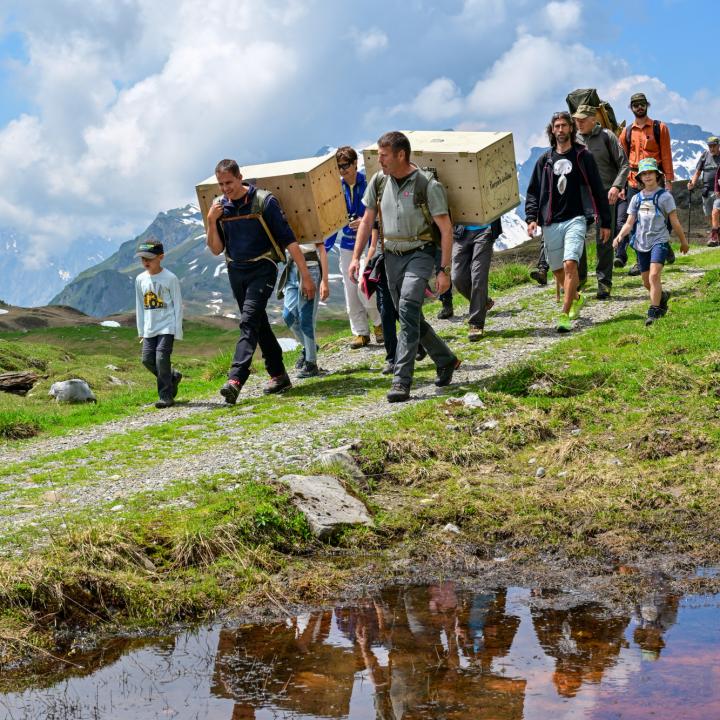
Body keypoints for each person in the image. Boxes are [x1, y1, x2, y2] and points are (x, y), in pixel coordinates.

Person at [348, 131, 459, 403]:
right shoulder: (379, 181)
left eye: (384, 155)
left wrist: (443, 270)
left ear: (400, 155)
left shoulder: (427, 185)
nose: (379, 160)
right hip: (391, 256)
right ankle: (445, 359)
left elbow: (446, 229)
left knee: (408, 308)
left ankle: (401, 380)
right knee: (407, 316)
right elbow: (367, 220)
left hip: (420, 254)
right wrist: (355, 257)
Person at [206, 158, 316, 404]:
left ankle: (235, 378)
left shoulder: (264, 202)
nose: (226, 189)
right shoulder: (218, 206)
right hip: (236, 270)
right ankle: (278, 374)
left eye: (229, 183)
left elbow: (288, 240)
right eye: (221, 184)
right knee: (258, 323)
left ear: (240, 177)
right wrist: (212, 221)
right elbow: (215, 249)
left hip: (263, 267)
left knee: (248, 321)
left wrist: (305, 275)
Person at [525, 111, 611, 332]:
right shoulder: (545, 160)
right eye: (557, 126)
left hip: (577, 218)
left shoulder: (584, 156)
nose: (561, 130)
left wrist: (605, 222)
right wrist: (531, 218)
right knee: (557, 270)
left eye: (564, 125)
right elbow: (533, 191)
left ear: (571, 128)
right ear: (552, 131)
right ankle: (576, 297)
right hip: (550, 221)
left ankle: (564, 314)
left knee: (570, 263)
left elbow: (598, 190)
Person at [613, 158, 689, 326]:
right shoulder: (636, 199)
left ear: (657, 175)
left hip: (659, 241)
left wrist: (683, 242)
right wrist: (619, 237)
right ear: (639, 178)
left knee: (654, 276)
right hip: (641, 243)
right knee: (647, 282)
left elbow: (675, 221)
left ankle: (654, 311)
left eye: (650, 173)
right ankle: (662, 296)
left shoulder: (665, 197)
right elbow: (629, 222)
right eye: (644, 174)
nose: (647, 176)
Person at [328, 146, 383, 349]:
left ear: (355, 164)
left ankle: (379, 324)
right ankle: (360, 332)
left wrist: (365, 222)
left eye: (345, 166)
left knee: (364, 284)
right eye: (338, 167)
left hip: (368, 241)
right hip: (347, 243)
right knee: (350, 289)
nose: (342, 170)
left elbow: (379, 212)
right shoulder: (337, 189)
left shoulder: (368, 183)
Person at [572, 104, 629, 299]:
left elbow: (624, 164)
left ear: (593, 119)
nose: (578, 123)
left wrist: (616, 186)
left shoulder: (607, 136)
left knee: (603, 238)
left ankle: (604, 282)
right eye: (576, 120)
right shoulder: (574, 138)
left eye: (581, 120)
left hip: (605, 193)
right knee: (577, 235)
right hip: (580, 195)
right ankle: (579, 278)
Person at [616, 92, 676, 274]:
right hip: (634, 181)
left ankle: (663, 246)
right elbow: (622, 161)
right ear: (631, 108)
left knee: (662, 217)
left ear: (647, 105)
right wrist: (621, 186)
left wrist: (669, 180)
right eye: (635, 105)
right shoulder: (625, 133)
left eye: (642, 104)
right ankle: (641, 260)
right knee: (635, 221)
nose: (639, 107)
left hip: (655, 179)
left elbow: (666, 154)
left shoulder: (660, 128)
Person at [135, 238, 183, 409]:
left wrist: (177, 331)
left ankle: (165, 396)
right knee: (147, 360)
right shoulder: (140, 279)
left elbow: (177, 304)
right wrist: (141, 330)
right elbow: (140, 306)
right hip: (149, 328)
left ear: (161, 257)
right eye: (142, 258)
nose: (145, 261)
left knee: (162, 359)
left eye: (149, 258)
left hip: (167, 326)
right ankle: (172, 377)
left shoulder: (170, 278)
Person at [281, 231, 329, 378]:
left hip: (311, 268)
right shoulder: (281, 216)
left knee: (306, 319)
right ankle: (311, 348)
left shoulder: (310, 217)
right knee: (288, 316)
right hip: (291, 269)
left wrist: (325, 281)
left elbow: (321, 250)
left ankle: (311, 364)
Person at [451, 219, 502, 340]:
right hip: (461, 231)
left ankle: (476, 324)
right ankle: (484, 301)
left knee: (478, 277)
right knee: (457, 278)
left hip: (485, 230)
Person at [687, 136, 720, 245]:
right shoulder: (705, 155)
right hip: (706, 191)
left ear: (718, 145)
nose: (712, 148)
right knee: (709, 216)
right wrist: (692, 183)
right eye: (710, 146)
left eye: (714, 146)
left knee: (715, 212)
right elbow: (698, 172)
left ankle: (714, 238)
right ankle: (717, 237)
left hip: (718, 192)